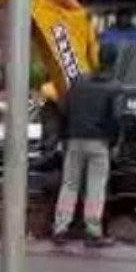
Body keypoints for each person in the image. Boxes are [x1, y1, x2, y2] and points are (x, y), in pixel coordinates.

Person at [51, 44, 124, 247]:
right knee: (95, 187)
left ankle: (60, 227)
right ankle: (92, 231)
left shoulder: (78, 82)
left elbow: (64, 110)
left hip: (74, 141)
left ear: (98, 58)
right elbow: (117, 119)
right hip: (99, 144)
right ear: (114, 61)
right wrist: (115, 143)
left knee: (69, 185)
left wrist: (63, 138)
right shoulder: (115, 87)